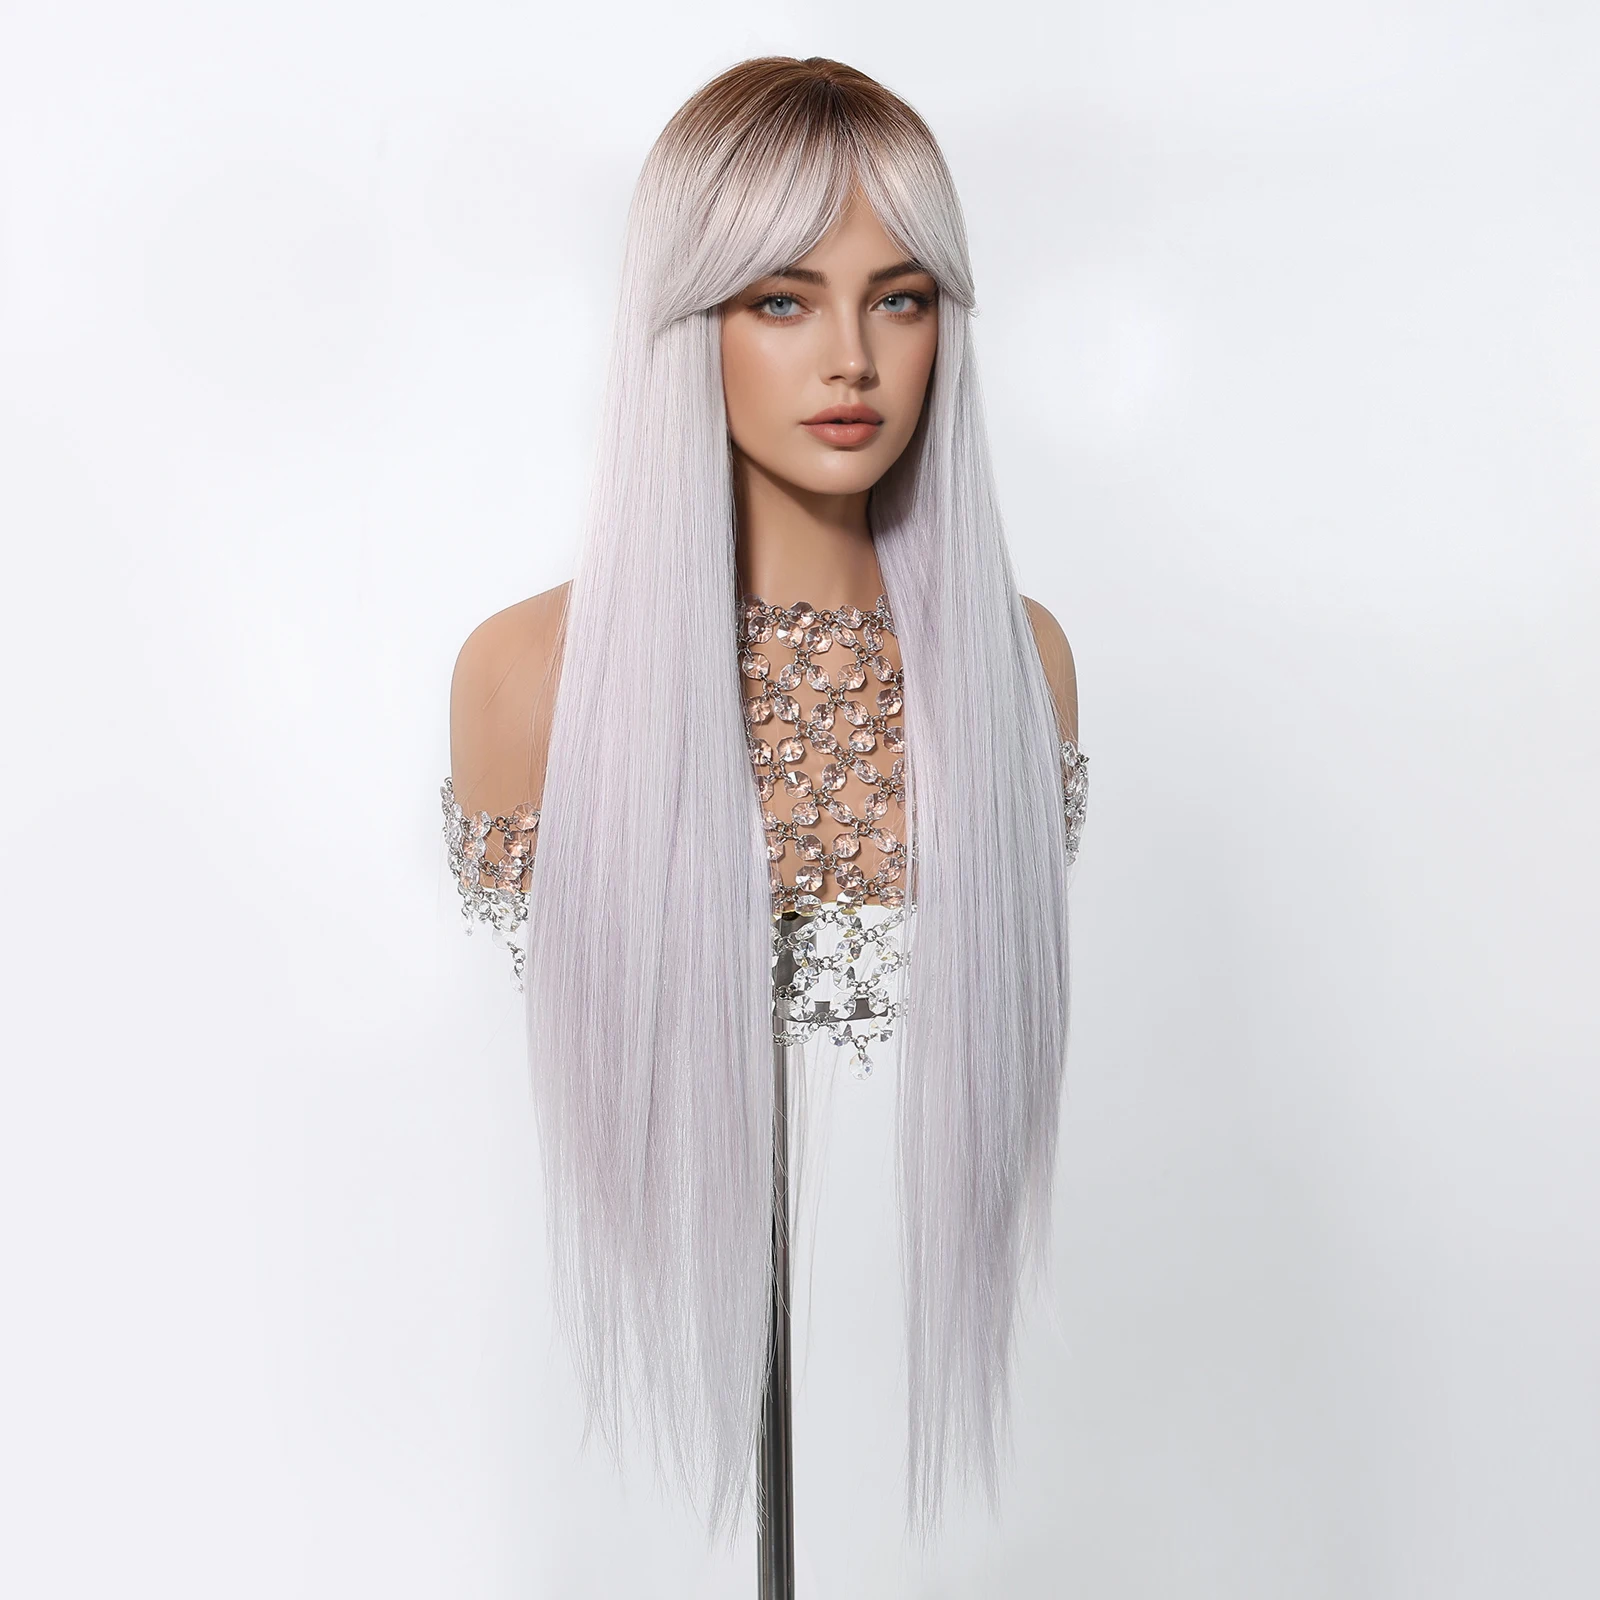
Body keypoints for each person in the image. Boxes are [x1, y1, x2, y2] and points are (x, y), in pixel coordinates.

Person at [443, 56, 1088, 1580]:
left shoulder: (1022, 671)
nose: (853, 359)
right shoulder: (533, 681)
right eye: (785, 300)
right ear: (693, 321)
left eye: (902, 299)